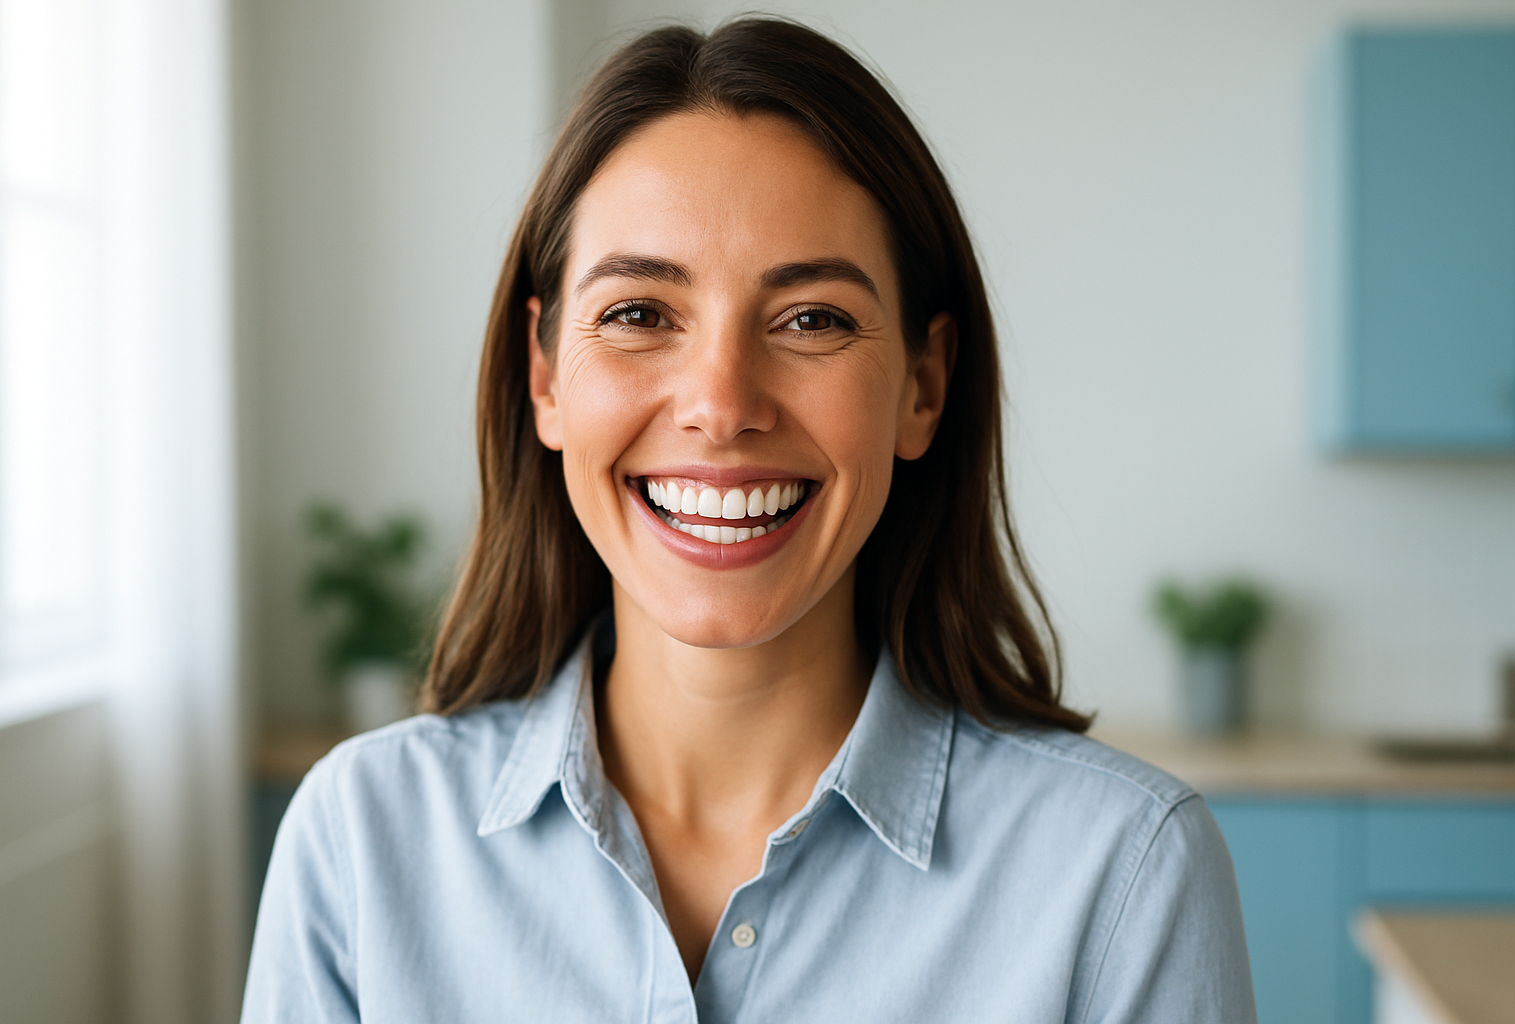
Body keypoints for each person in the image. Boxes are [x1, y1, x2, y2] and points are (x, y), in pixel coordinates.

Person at [243, 18, 1257, 1023]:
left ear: (923, 384)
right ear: (546, 376)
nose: (721, 405)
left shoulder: (1123, 870)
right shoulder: (359, 842)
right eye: (639, 313)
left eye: (811, 319)